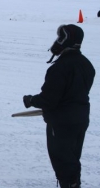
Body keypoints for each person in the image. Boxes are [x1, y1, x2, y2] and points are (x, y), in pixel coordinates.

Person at [23, 24, 95, 188]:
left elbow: (49, 99)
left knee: (62, 160)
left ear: (64, 40)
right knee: (72, 158)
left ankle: (69, 184)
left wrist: (31, 100)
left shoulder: (59, 68)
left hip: (62, 122)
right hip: (81, 119)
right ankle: (73, 183)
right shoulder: (86, 64)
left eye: (59, 38)